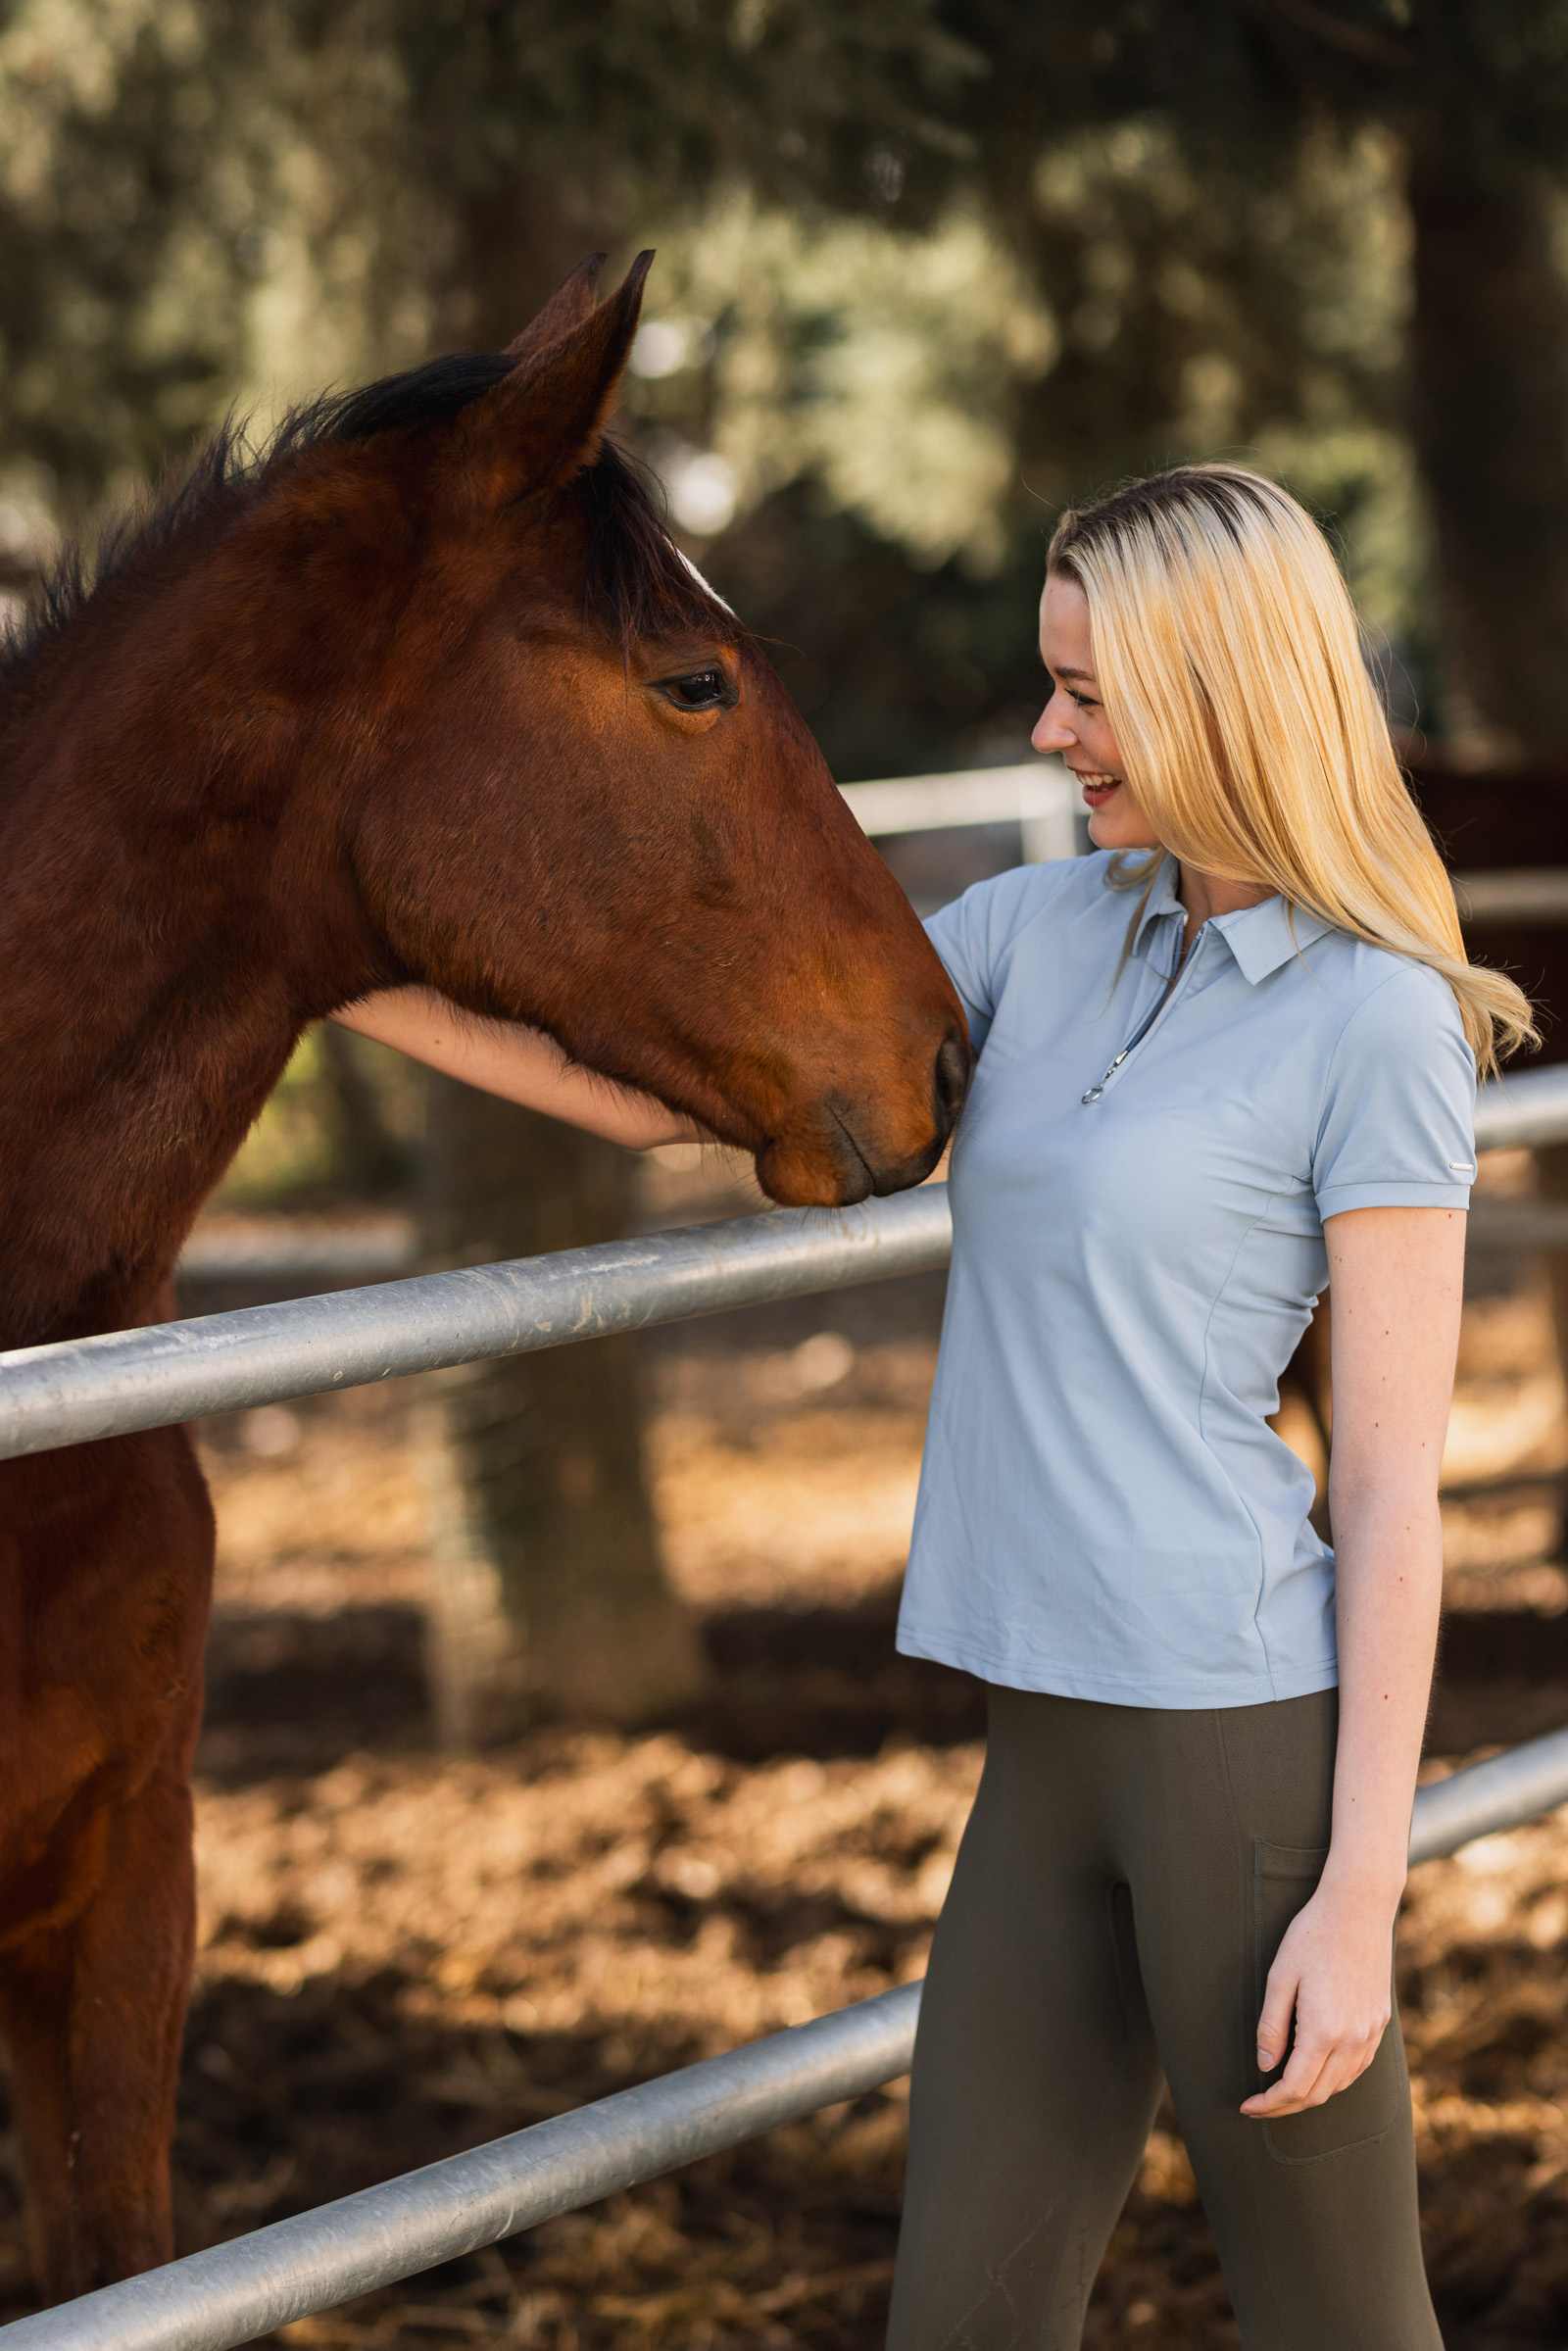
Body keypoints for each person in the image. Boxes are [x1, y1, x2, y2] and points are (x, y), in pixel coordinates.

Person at [338, 463, 1534, 2347]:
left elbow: (1390, 1489)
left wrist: (1360, 1895)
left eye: (1090, 692)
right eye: (1049, 682)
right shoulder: (1035, 936)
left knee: (1345, 2330)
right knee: (959, 2327)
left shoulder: (1369, 1021)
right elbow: (687, 1096)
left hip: (1239, 1757)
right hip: (1039, 1742)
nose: (1051, 730)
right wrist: (331, 966)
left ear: (1225, 691)